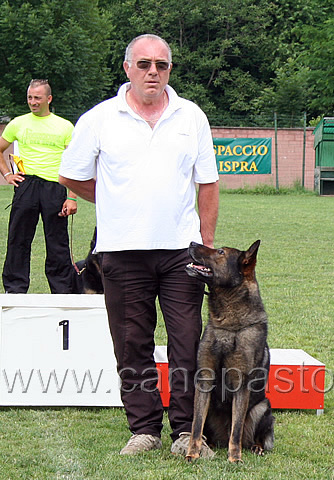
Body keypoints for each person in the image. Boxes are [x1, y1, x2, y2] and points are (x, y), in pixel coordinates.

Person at [58, 34, 220, 456]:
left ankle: (186, 431)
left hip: (181, 251)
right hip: (122, 249)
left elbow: (208, 183)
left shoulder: (192, 116)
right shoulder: (99, 118)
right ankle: (144, 429)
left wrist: (207, 244)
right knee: (132, 342)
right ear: (127, 67)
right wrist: (109, 197)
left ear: (170, 70)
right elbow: (71, 175)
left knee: (188, 342)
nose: (153, 72)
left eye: (162, 65)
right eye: (144, 64)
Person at [0, 79, 78, 294]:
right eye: (30, 98)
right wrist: (8, 174)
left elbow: (75, 163)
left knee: (57, 243)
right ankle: (14, 289)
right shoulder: (18, 123)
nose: (33, 102)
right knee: (18, 239)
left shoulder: (64, 126)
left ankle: (63, 290)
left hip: (54, 187)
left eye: (37, 98)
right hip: (27, 185)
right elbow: (1, 148)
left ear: (48, 99)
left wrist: (72, 197)